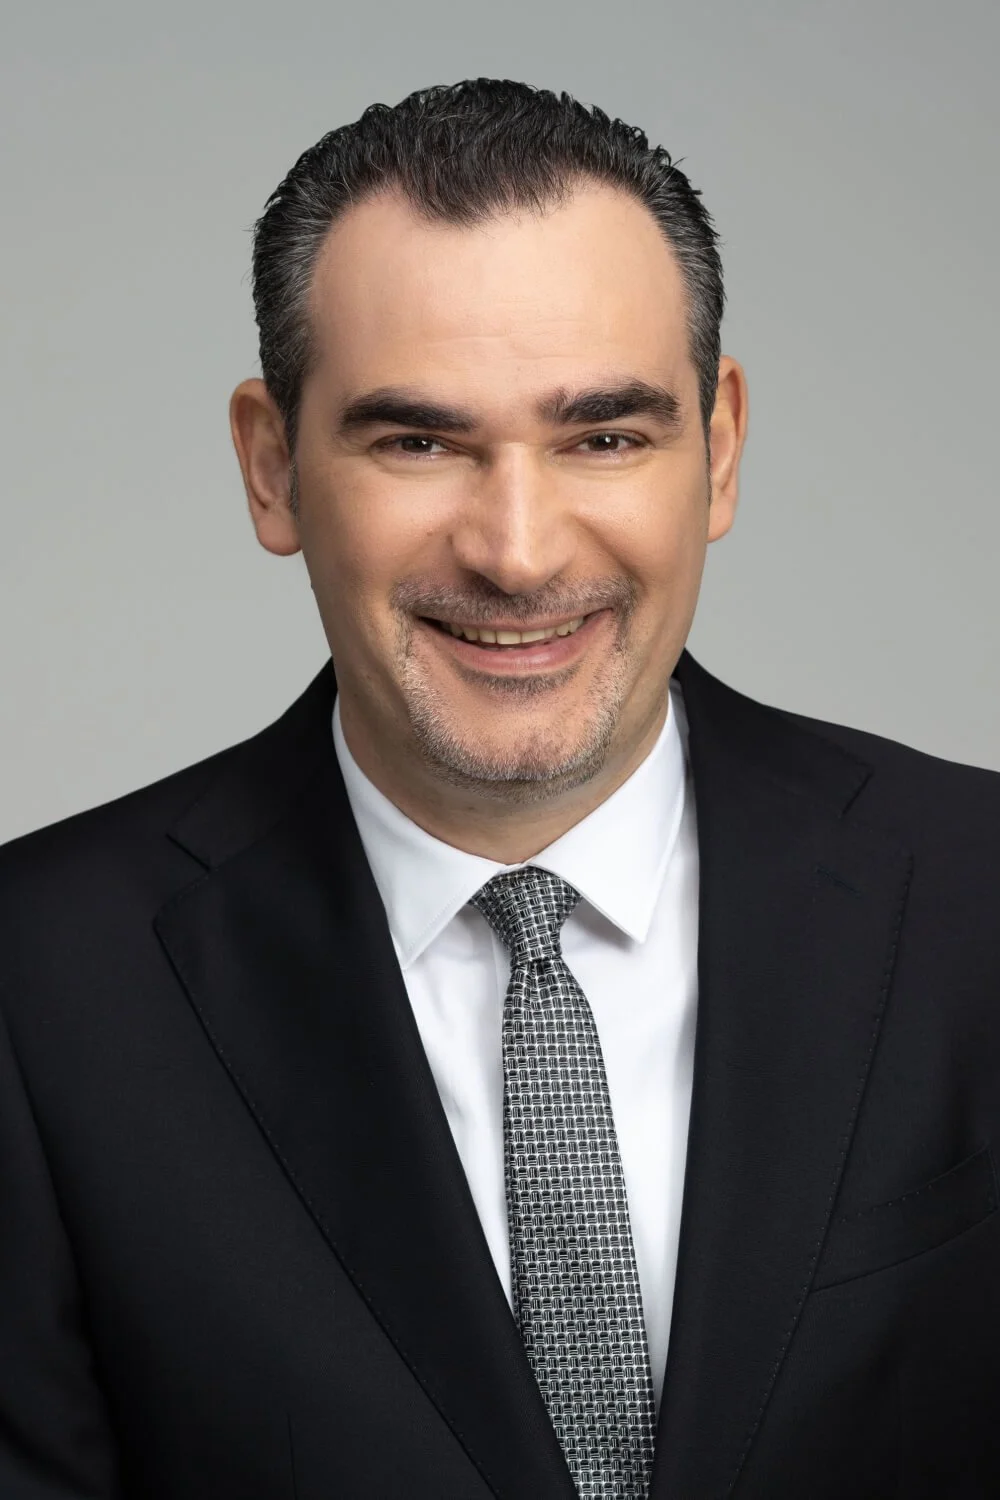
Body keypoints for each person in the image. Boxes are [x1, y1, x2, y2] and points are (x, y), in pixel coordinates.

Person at [0, 77, 997, 1500]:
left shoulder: (978, 897)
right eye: (419, 440)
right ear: (272, 466)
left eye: (603, 435)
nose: (518, 554)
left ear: (717, 447)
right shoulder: (37, 990)